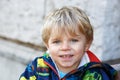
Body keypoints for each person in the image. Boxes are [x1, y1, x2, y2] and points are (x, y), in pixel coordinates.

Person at [19, 6, 119, 80]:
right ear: (47, 45)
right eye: (57, 42)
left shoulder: (96, 73)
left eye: (74, 40)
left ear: (87, 44)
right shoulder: (37, 68)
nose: (65, 47)